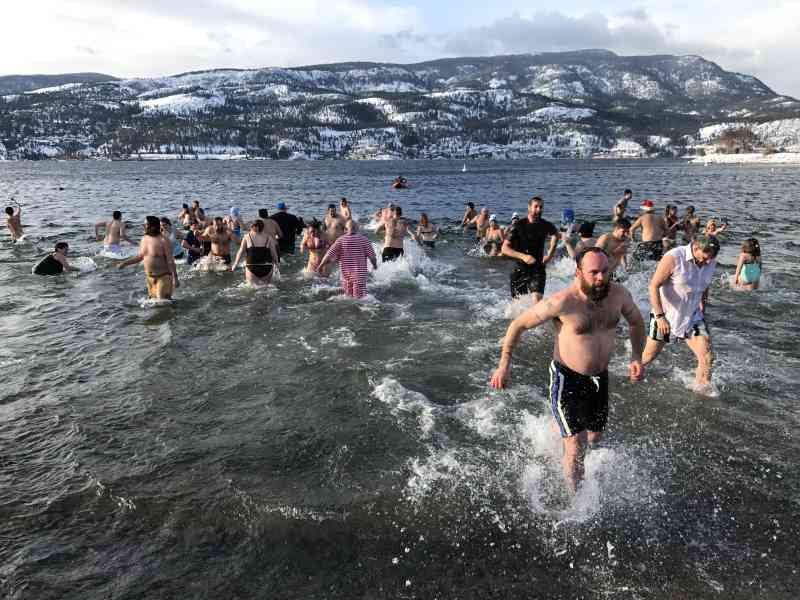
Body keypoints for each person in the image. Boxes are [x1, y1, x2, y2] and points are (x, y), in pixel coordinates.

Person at [490, 247, 645, 492]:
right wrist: (504, 365)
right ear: (578, 272)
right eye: (594, 272)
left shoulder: (619, 295)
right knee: (577, 445)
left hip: (599, 378)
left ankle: (557, 428)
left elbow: (637, 322)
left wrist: (637, 356)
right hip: (567, 377)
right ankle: (577, 503)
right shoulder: (563, 302)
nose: (601, 278)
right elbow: (518, 325)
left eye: (605, 271)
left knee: (594, 436)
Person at [642, 235, 720, 387]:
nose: (708, 262)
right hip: (666, 315)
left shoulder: (710, 261)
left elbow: (705, 283)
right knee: (649, 356)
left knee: (707, 357)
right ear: (696, 248)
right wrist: (659, 316)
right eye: (704, 258)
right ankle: (630, 374)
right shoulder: (674, 257)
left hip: (693, 316)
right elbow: (653, 286)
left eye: (710, 259)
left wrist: (703, 304)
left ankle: (701, 393)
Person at [501, 196, 558, 302]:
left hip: (538, 269)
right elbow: (504, 248)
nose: (539, 210)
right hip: (520, 269)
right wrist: (523, 256)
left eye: (541, 207)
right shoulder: (518, 226)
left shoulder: (546, 225)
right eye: (536, 207)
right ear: (529, 207)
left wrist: (550, 255)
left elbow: (555, 235)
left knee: (537, 301)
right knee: (517, 305)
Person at [117, 216, 179, 300]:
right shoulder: (144, 239)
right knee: (154, 304)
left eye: (145, 224)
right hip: (150, 279)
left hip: (164, 277)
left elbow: (170, 261)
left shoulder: (164, 240)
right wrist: (124, 263)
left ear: (152, 226)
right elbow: (140, 257)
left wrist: (175, 278)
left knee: (163, 304)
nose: (143, 226)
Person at [317, 220, 377, 299]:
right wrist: (374, 265)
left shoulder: (340, 240)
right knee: (360, 299)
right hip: (359, 275)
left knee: (348, 298)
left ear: (345, 229)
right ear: (357, 228)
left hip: (345, 275)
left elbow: (329, 254)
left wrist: (320, 266)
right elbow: (372, 257)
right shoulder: (364, 240)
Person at [231, 219, 279, 285]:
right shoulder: (268, 237)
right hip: (267, 267)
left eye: (251, 226)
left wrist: (235, 264)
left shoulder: (247, 237)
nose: (250, 227)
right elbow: (274, 252)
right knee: (266, 288)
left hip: (252, 267)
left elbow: (241, 251)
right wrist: (277, 264)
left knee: (251, 288)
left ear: (256, 227)